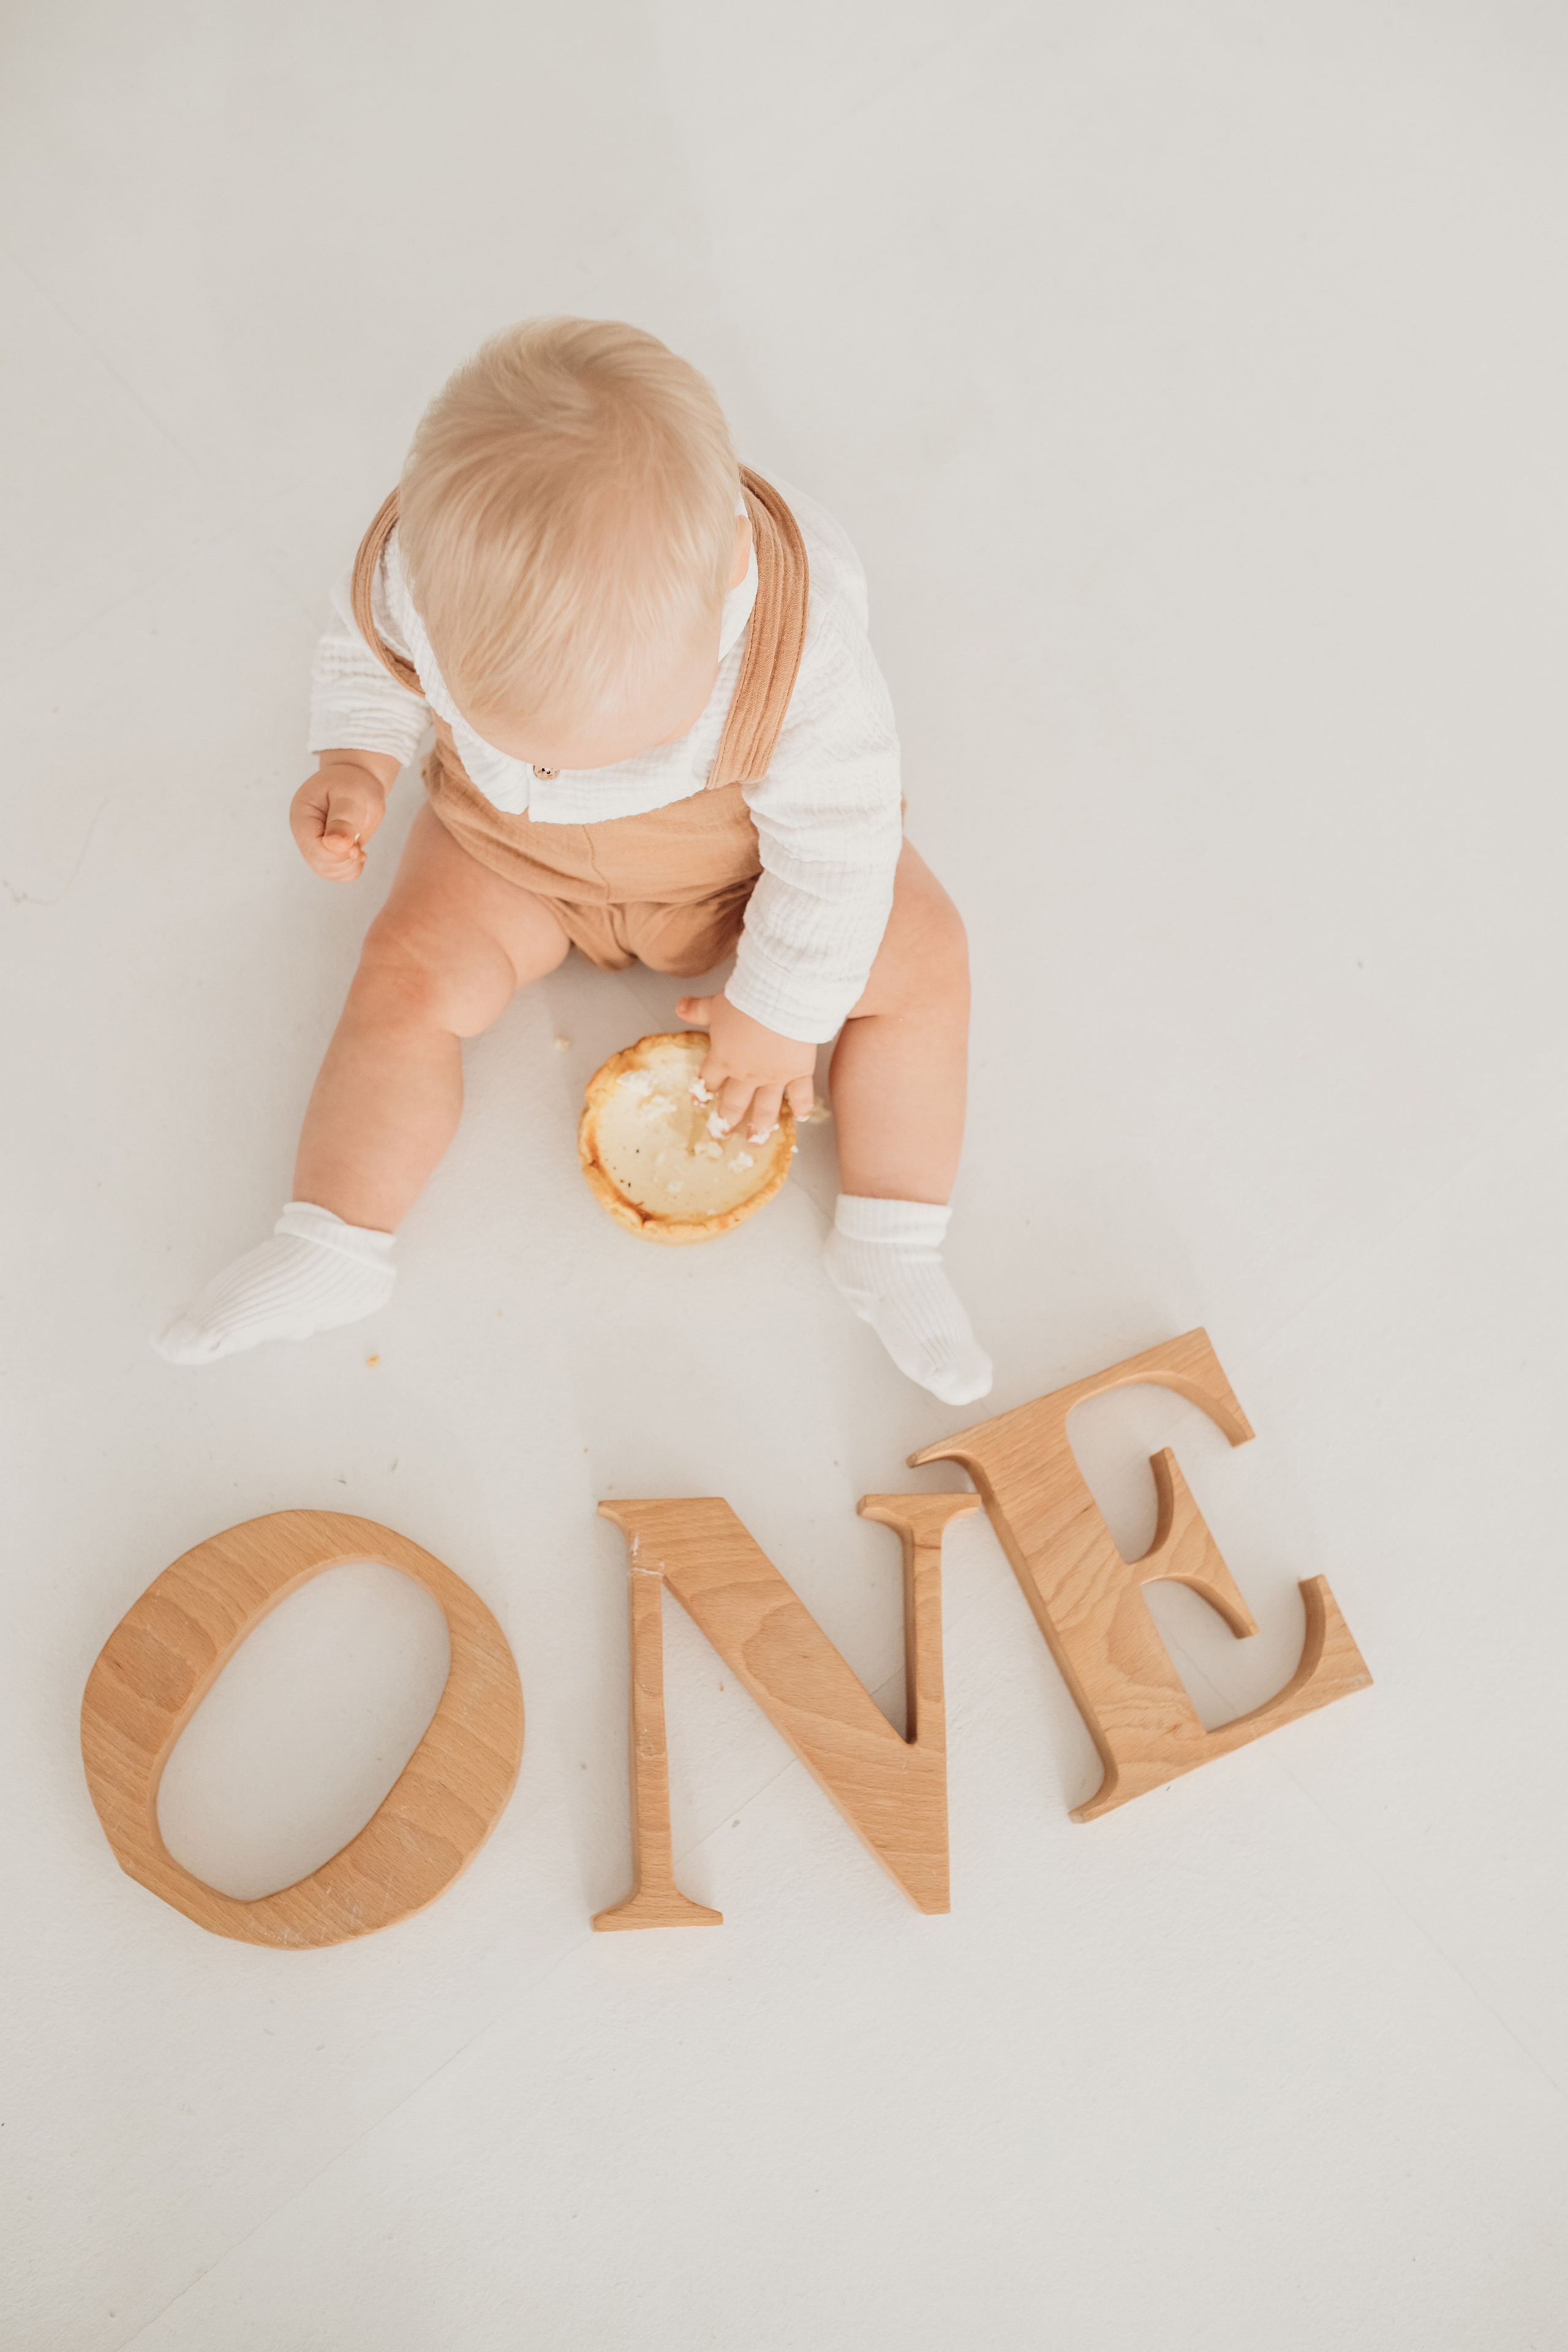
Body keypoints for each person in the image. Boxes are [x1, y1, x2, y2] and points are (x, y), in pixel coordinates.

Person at [156, 318, 990, 1404]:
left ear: (727, 572)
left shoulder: (799, 637)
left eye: (633, 743)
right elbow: (364, 655)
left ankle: (894, 1239)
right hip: (510, 852)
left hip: (741, 872)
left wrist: (783, 1010)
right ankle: (334, 1241)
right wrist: (359, 758)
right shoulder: (423, 571)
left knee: (923, 960)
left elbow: (840, 841)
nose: (587, 767)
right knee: (406, 973)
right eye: (519, 734)